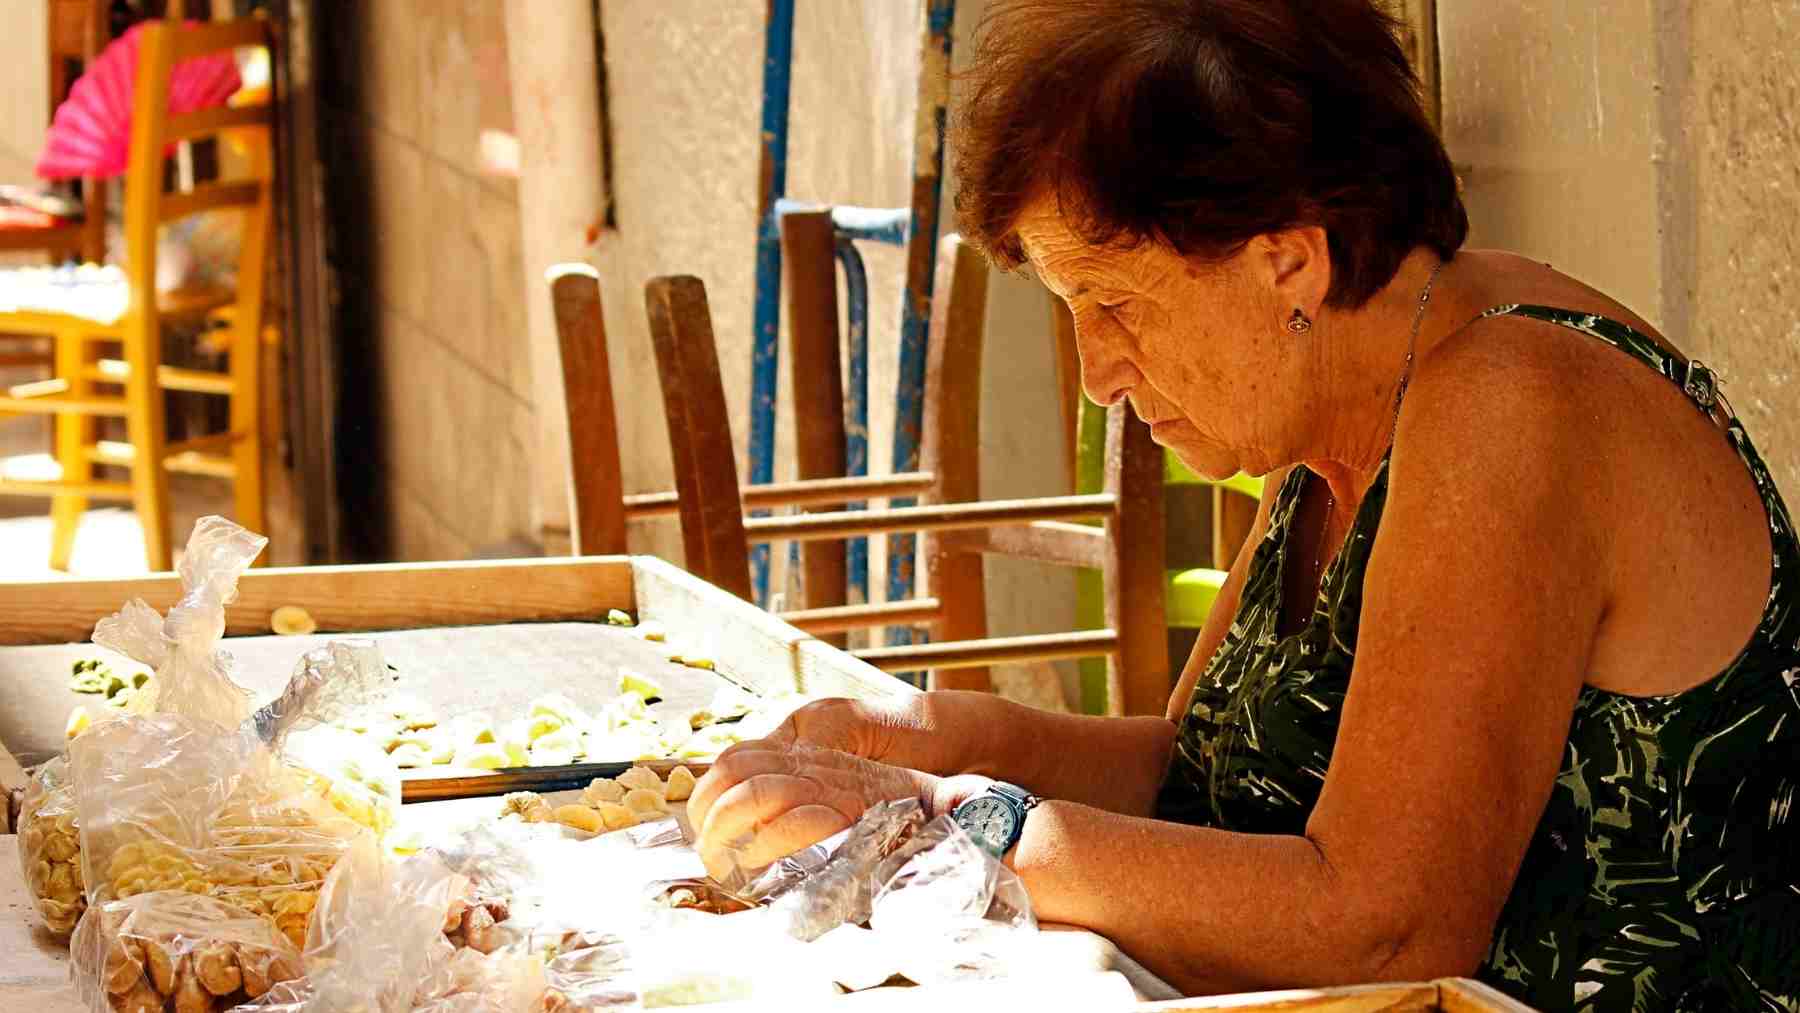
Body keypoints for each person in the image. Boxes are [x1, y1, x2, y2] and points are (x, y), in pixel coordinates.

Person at [688, 1, 1800, 1008]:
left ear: (1289, 264)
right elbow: (1200, 769)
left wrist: (948, 821)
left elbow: (1384, 925)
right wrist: (919, 731)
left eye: (1115, 303)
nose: (1098, 374)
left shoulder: (1509, 400)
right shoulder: (1342, 399)